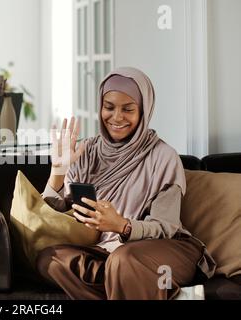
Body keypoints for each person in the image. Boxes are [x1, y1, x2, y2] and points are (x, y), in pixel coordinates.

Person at [38, 67, 216, 300]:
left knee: (124, 260)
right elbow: (58, 215)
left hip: (165, 249)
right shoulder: (87, 150)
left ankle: (133, 280)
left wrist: (122, 225)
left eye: (128, 109)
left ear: (144, 111)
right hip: (105, 251)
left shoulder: (163, 156)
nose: (117, 117)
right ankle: (164, 292)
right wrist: (58, 170)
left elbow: (166, 227)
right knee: (48, 260)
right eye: (109, 107)